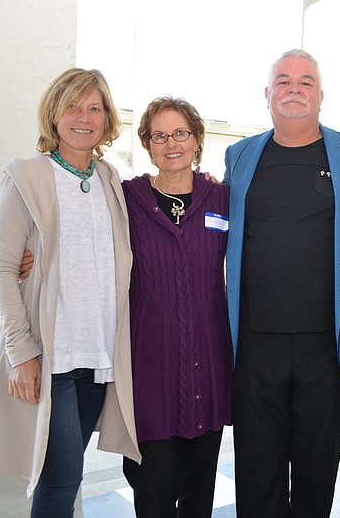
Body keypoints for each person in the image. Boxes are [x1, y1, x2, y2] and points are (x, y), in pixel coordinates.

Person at [0, 68, 140, 516]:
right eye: (72, 106)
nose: (83, 117)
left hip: (97, 356)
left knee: (65, 479)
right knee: (61, 479)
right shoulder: (26, 176)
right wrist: (21, 351)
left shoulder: (111, 179)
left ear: (107, 119)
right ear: (53, 115)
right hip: (50, 357)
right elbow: (2, 268)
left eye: (94, 107)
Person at [223, 49, 340, 518]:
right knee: (257, 470)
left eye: (305, 82)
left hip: (326, 344)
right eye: (283, 81)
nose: (294, 89)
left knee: (316, 467)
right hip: (254, 343)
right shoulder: (240, 155)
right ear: (267, 95)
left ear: (321, 96)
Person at [120, 97, 232, 517]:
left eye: (180, 133)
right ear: (147, 145)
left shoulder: (221, 198)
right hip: (149, 373)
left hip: (209, 366)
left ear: (198, 139)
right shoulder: (125, 198)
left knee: (199, 495)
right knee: (153, 492)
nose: (171, 144)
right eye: (159, 135)